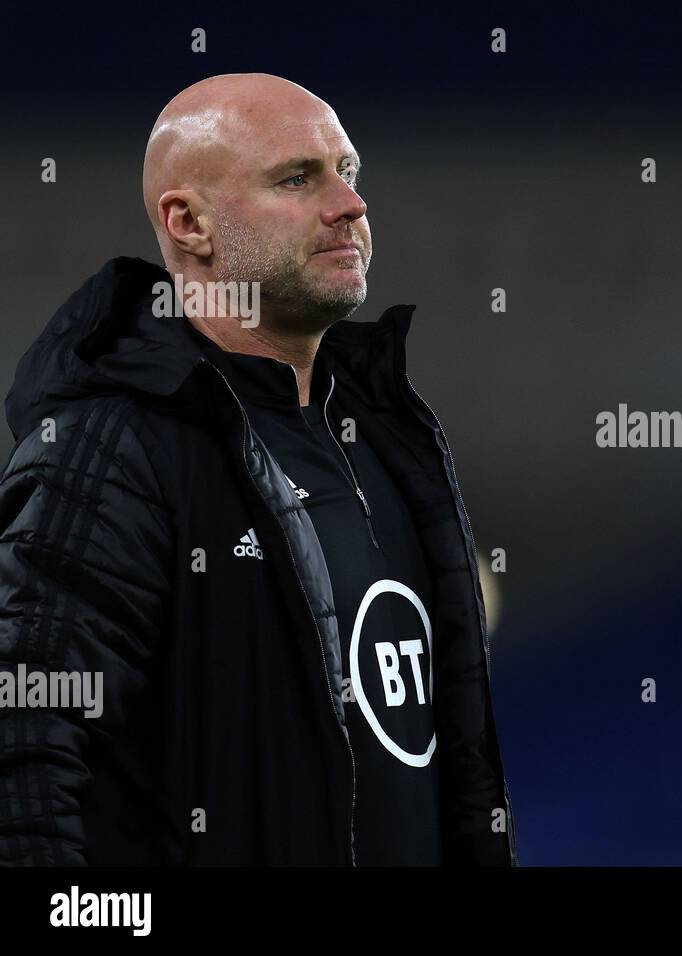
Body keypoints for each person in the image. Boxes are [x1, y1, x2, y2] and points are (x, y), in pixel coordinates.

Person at [0, 73, 518, 866]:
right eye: (297, 178)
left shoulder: (390, 439)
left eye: (347, 171)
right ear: (189, 223)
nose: (350, 205)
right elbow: (26, 745)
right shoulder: (110, 449)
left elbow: (455, 774)